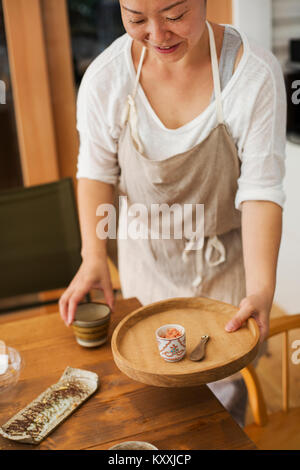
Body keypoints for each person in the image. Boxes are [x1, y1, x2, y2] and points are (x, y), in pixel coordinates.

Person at [59, 0, 286, 427]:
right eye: (136, 18)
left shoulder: (253, 75)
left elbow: (261, 189)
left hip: (224, 277)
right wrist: (93, 256)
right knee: (151, 403)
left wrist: (261, 288)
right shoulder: (107, 78)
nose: (158, 35)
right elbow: (95, 169)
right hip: (148, 264)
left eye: (175, 15)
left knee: (218, 406)